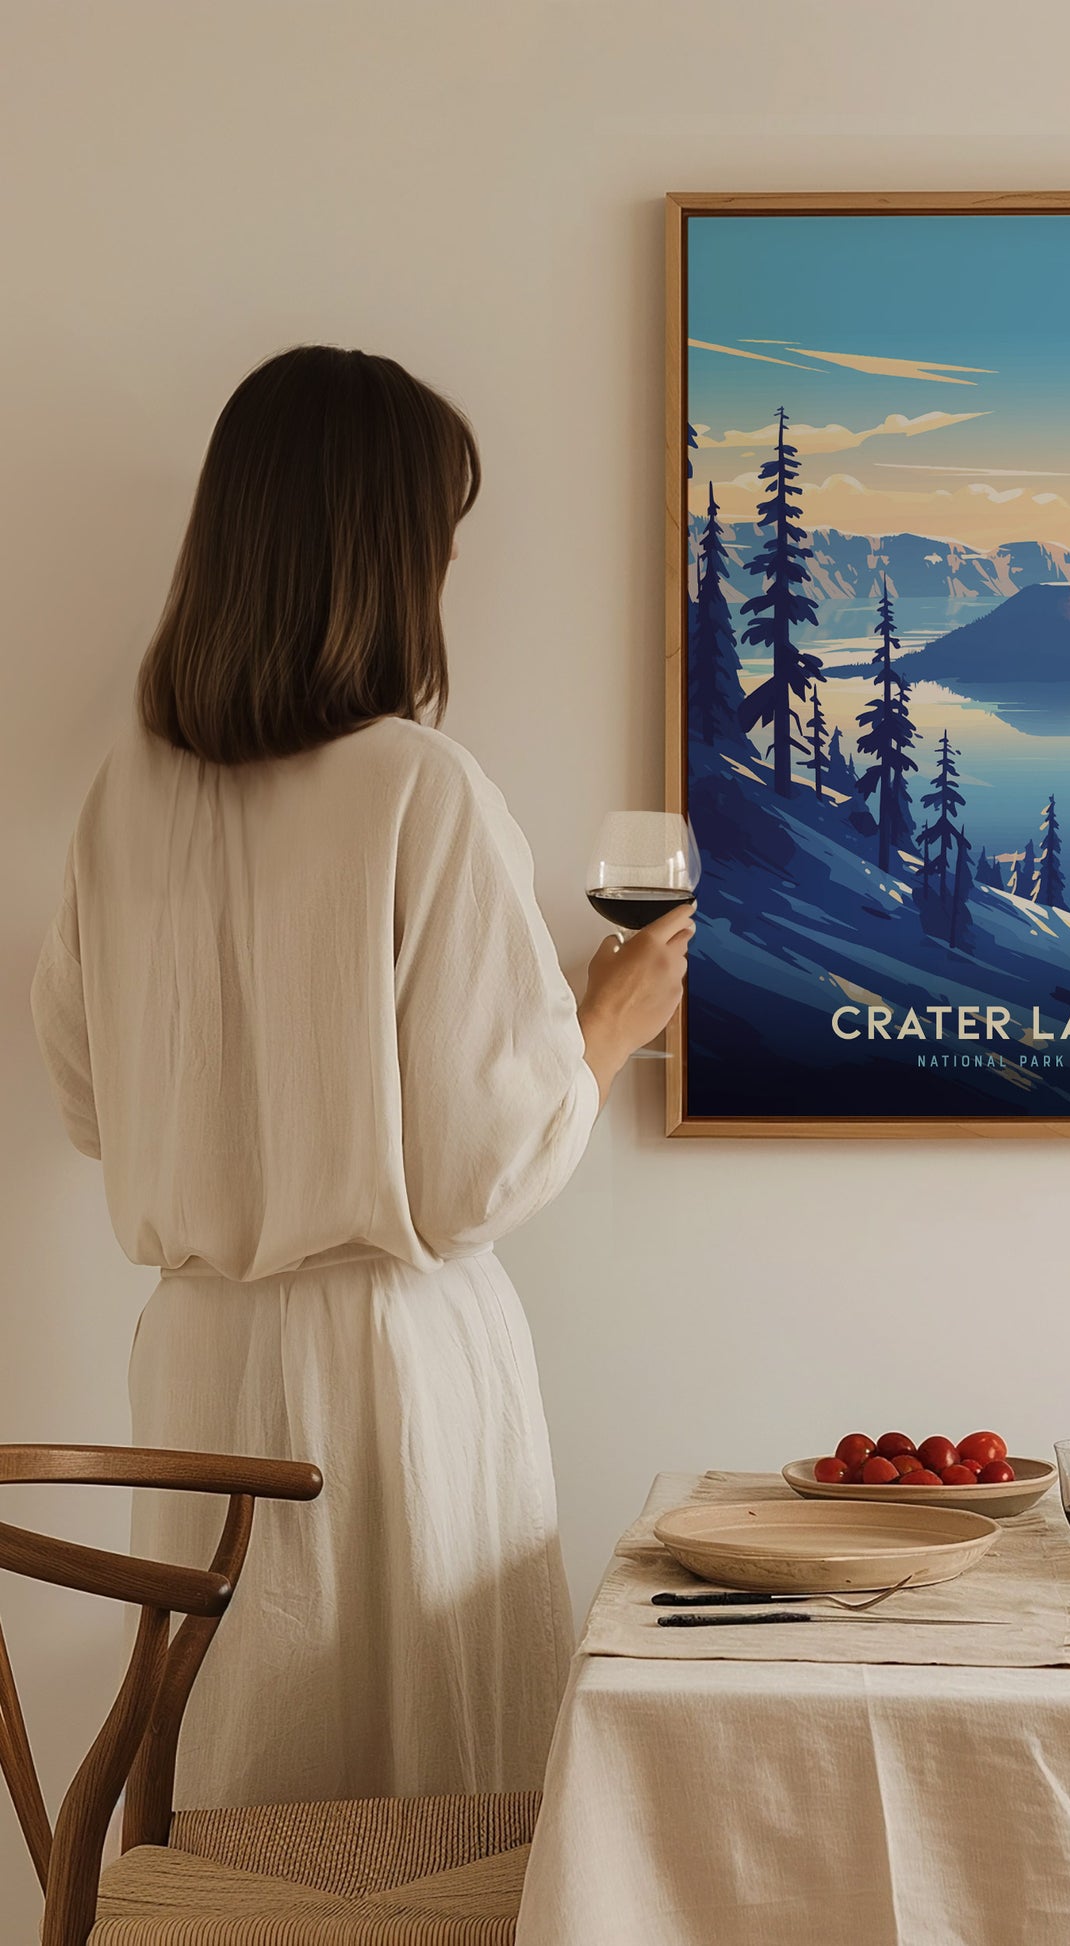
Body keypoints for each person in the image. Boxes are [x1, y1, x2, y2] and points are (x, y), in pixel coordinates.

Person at [29, 345, 689, 1806]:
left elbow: (87, 1101)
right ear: (386, 557)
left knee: (241, 1790)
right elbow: (474, 1173)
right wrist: (605, 1021)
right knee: (422, 1811)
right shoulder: (417, 786)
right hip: (390, 1373)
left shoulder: (123, 797)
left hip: (198, 1362)